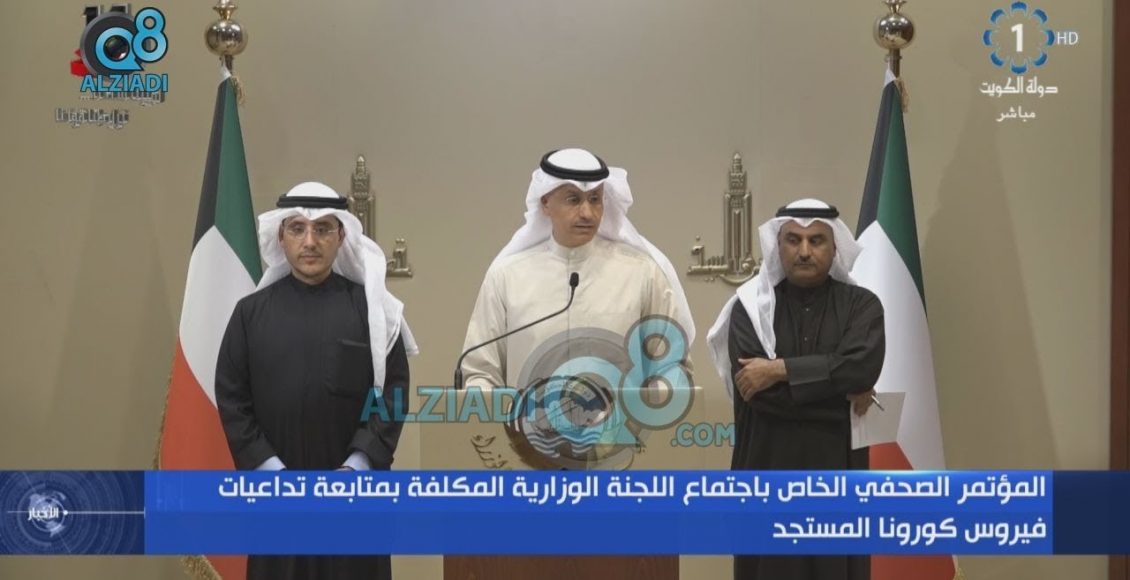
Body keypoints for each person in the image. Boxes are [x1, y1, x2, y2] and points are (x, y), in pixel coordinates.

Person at [216, 181, 418, 580]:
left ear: (341, 236)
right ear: (281, 237)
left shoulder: (373, 313)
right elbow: (232, 400)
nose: (310, 241)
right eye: (298, 229)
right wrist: (274, 475)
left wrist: (355, 468)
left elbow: (393, 395)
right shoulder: (249, 314)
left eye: (323, 228)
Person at [706, 198, 885, 580]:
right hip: (766, 474)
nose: (804, 251)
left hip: (838, 477)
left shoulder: (862, 306)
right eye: (793, 240)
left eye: (816, 240)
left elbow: (861, 367)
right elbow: (760, 396)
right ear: (778, 245)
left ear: (835, 247)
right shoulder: (749, 309)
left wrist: (780, 369)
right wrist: (840, 393)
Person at [460, 148, 696, 394]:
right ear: (545, 203)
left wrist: (657, 407)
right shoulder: (506, 277)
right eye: (573, 200)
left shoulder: (642, 274)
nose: (587, 213)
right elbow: (480, 372)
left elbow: (671, 366)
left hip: (622, 420)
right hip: (527, 418)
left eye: (594, 199)